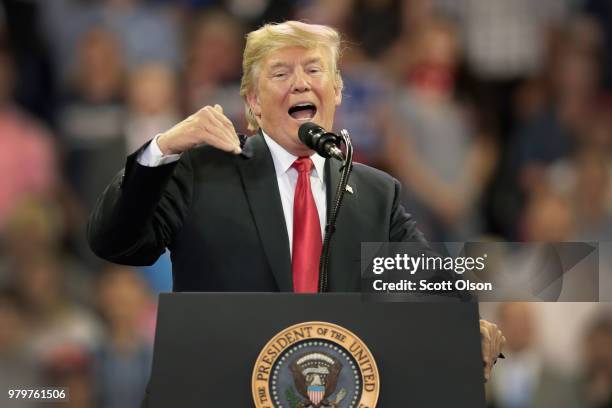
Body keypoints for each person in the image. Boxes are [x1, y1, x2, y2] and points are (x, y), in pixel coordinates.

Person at [87, 20, 504, 381]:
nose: (301, 82)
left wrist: (468, 324)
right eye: (281, 72)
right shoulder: (201, 172)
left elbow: (433, 283)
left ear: (338, 91)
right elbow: (115, 241)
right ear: (252, 101)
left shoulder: (376, 194)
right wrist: (163, 147)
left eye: (314, 69)